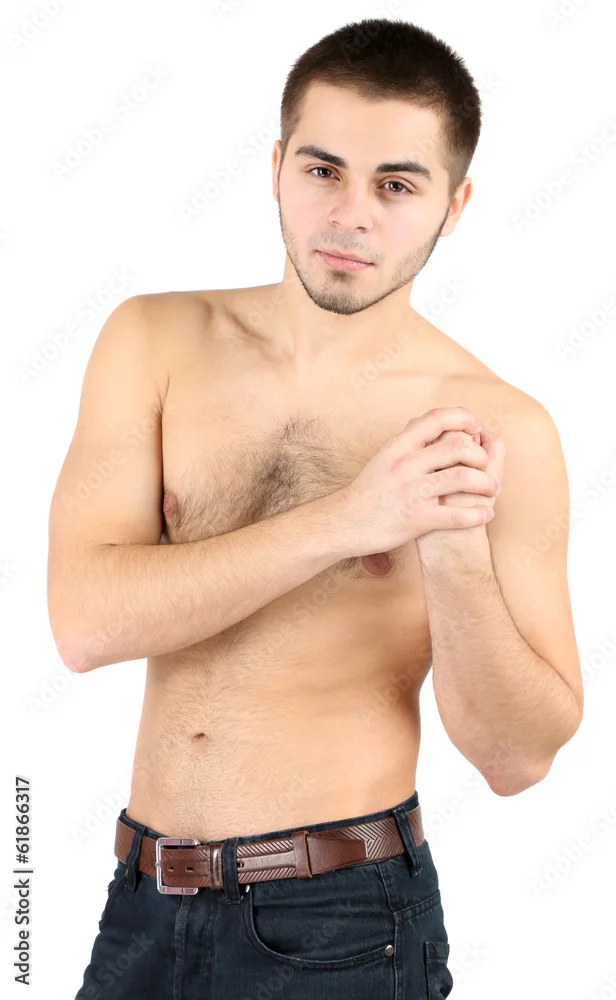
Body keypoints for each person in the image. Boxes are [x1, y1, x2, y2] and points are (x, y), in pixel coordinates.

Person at [48, 17, 583, 999]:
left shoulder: (501, 428)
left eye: (396, 185)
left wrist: (452, 551)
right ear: (275, 167)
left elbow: (517, 759)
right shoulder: (154, 341)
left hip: (342, 920)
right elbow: (84, 624)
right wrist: (351, 518)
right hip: (140, 903)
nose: (350, 215)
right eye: (323, 170)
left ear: (454, 205)